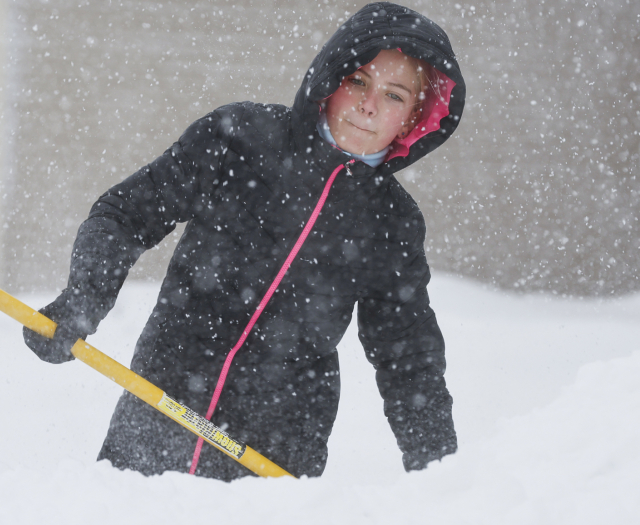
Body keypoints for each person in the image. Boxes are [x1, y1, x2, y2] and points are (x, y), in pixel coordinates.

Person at [24, 1, 464, 481]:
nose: (369, 104)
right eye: (358, 80)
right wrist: (84, 298)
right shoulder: (240, 139)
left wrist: (438, 471)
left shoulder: (391, 220)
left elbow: (407, 354)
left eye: (395, 95)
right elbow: (125, 214)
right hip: (161, 408)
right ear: (331, 78)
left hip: (277, 453)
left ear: (416, 117)